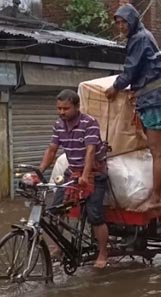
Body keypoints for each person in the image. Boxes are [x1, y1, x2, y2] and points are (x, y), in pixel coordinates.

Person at [104, 3, 161, 210]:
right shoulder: (143, 36)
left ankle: (156, 196)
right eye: (118, 23)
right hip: (150, 99)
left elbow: (130, 71)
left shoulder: (139, 38)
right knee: (158, 151)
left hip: (153, 99)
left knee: (157, 152)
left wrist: (115, 87)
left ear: (133, 21)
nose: (121, 26)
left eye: (124, 22)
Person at [39, 89, 110, 268]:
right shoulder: (58, 125)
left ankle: (103, 252)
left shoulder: (89, 123)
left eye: (66, 108)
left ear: (77, 107)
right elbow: (52, 149)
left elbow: (90, 151)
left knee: (95, 215)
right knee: (56, 210)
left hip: (94, 173)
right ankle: (59, 246)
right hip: (72, 172)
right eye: (59, 108)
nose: (62, 112)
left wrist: (85, 175)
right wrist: (38, 172)